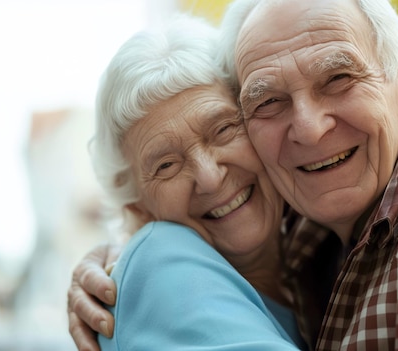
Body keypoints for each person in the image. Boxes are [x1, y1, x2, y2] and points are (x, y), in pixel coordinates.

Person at [69, 0, 398, 350]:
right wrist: (139, 263)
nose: (308, 127)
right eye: (270, 100)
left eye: (338, 77)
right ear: (136, 203)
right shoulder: (312, 231)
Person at [86, 14, 305, 350]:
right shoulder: (158, 266)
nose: (211, 178)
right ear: (140, 208)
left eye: (222, 130)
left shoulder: (318, 243)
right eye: (167, 165)